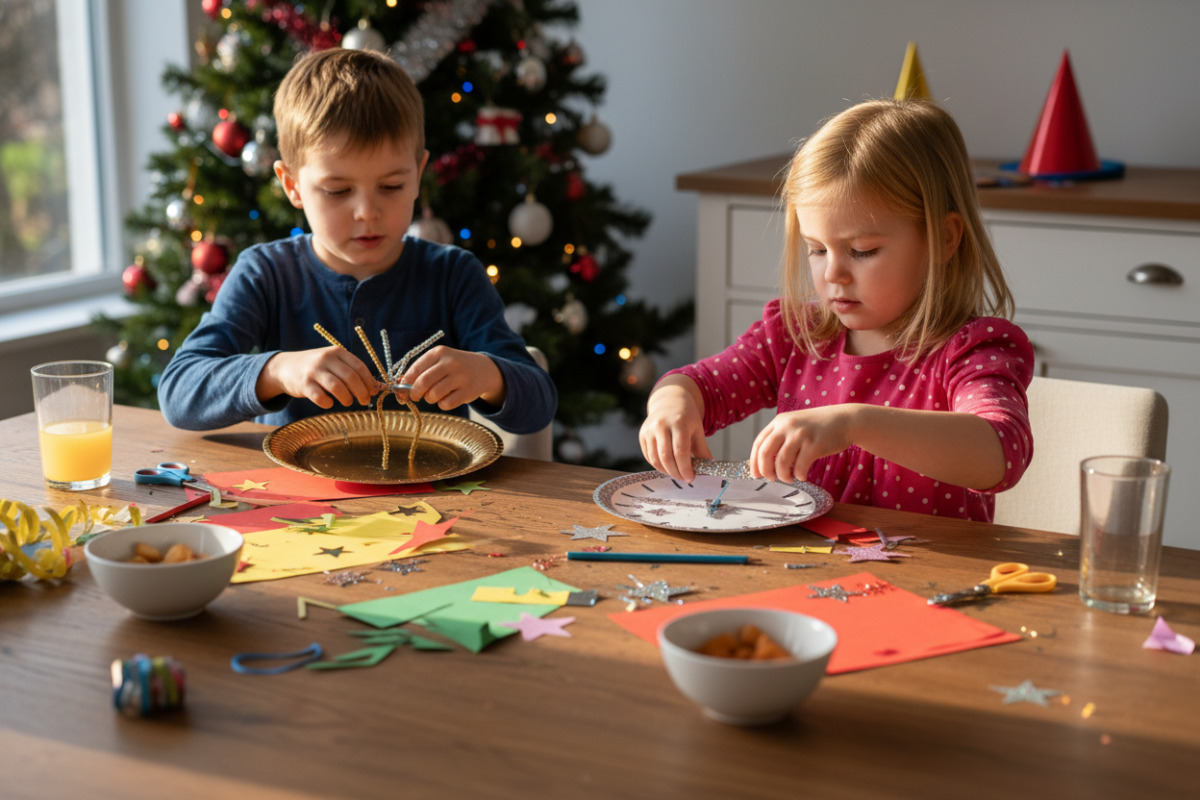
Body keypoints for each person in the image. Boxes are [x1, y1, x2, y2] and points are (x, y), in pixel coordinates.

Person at [640, 100, 1033, 522]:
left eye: (862, 251)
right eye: (817, 249)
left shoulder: (971, 350)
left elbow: (1001, 452)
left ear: (944, 237)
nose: (834, 274)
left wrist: (853, 424)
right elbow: (700, 384)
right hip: (803, 575)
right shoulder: (795, 335)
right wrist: (672, 406)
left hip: (926, 579)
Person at [158, 48, 556, 435]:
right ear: (292, 185)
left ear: (418, 176)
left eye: (391, 185)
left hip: (436, 499)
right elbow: (179, 392)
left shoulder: (454, 275)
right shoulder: (266, 273)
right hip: (297, 500)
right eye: (337, 191)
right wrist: (278, 371)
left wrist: (488, 375)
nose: (367, 211)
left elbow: (538, 404)